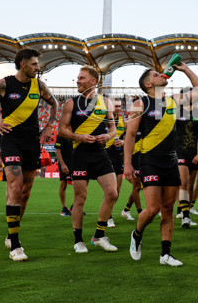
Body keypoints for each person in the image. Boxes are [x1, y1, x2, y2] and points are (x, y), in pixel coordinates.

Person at [0, 48, 58, 261]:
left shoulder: (40, 85)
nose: (38, 67)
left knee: (25, 192)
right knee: (15, 188)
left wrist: (49, 127)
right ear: (23, 64)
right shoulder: (4, 84)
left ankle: (11, 233)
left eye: (38, 64)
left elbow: (54, 103)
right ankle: (15, 247)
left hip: (32, 143)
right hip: (11, 141)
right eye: (34, 64)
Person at [124, 61, 198, 266]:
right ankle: (137, 234)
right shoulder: (140, 104)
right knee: (152, 209)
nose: (161, 74)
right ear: (148, 85)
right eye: (155, 75)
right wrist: (127, 164)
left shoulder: (173, 101)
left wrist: (186, 70)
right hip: (149, 160)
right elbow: (131, 135)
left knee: (168, 208)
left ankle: (165, 254)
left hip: (171, 160)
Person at [57, 66, 118, 254]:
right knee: (79, 199)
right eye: (77, 78)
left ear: (93, 81)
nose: (77, 81)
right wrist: (78, 137)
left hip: (100, 154)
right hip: (80, 154)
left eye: (82, 78)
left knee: (112, 194)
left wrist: (108, 137)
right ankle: (78, 241)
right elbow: (62, 130)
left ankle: (99, 236)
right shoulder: (71, 103)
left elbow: (113, 129)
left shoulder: (105, 102)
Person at [175, 87, 198, 228]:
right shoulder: (177, 112)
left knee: (190, 184)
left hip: (195, 153)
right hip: (180, 152)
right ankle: (184, 215)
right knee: (183, 182)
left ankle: (188, 210)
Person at [105, 99, 126, 228]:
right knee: (110, 189)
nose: (118, 108)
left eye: (119, 106)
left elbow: (129, 137)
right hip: (106, 155)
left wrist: (123, 142)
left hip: (118, 156)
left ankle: (108, 213)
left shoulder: (124, 121)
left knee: (117, 190)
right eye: (115, 106)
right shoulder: (104, 120)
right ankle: (108, 217)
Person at [54, 134, 73, 216]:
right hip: (64, 163)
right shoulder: (62, 134)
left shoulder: (77, 130)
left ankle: (75, 206)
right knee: (63, 184)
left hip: (76, 163)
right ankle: (64, 208)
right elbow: (57, 150)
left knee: (79, 185)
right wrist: (62, 164)